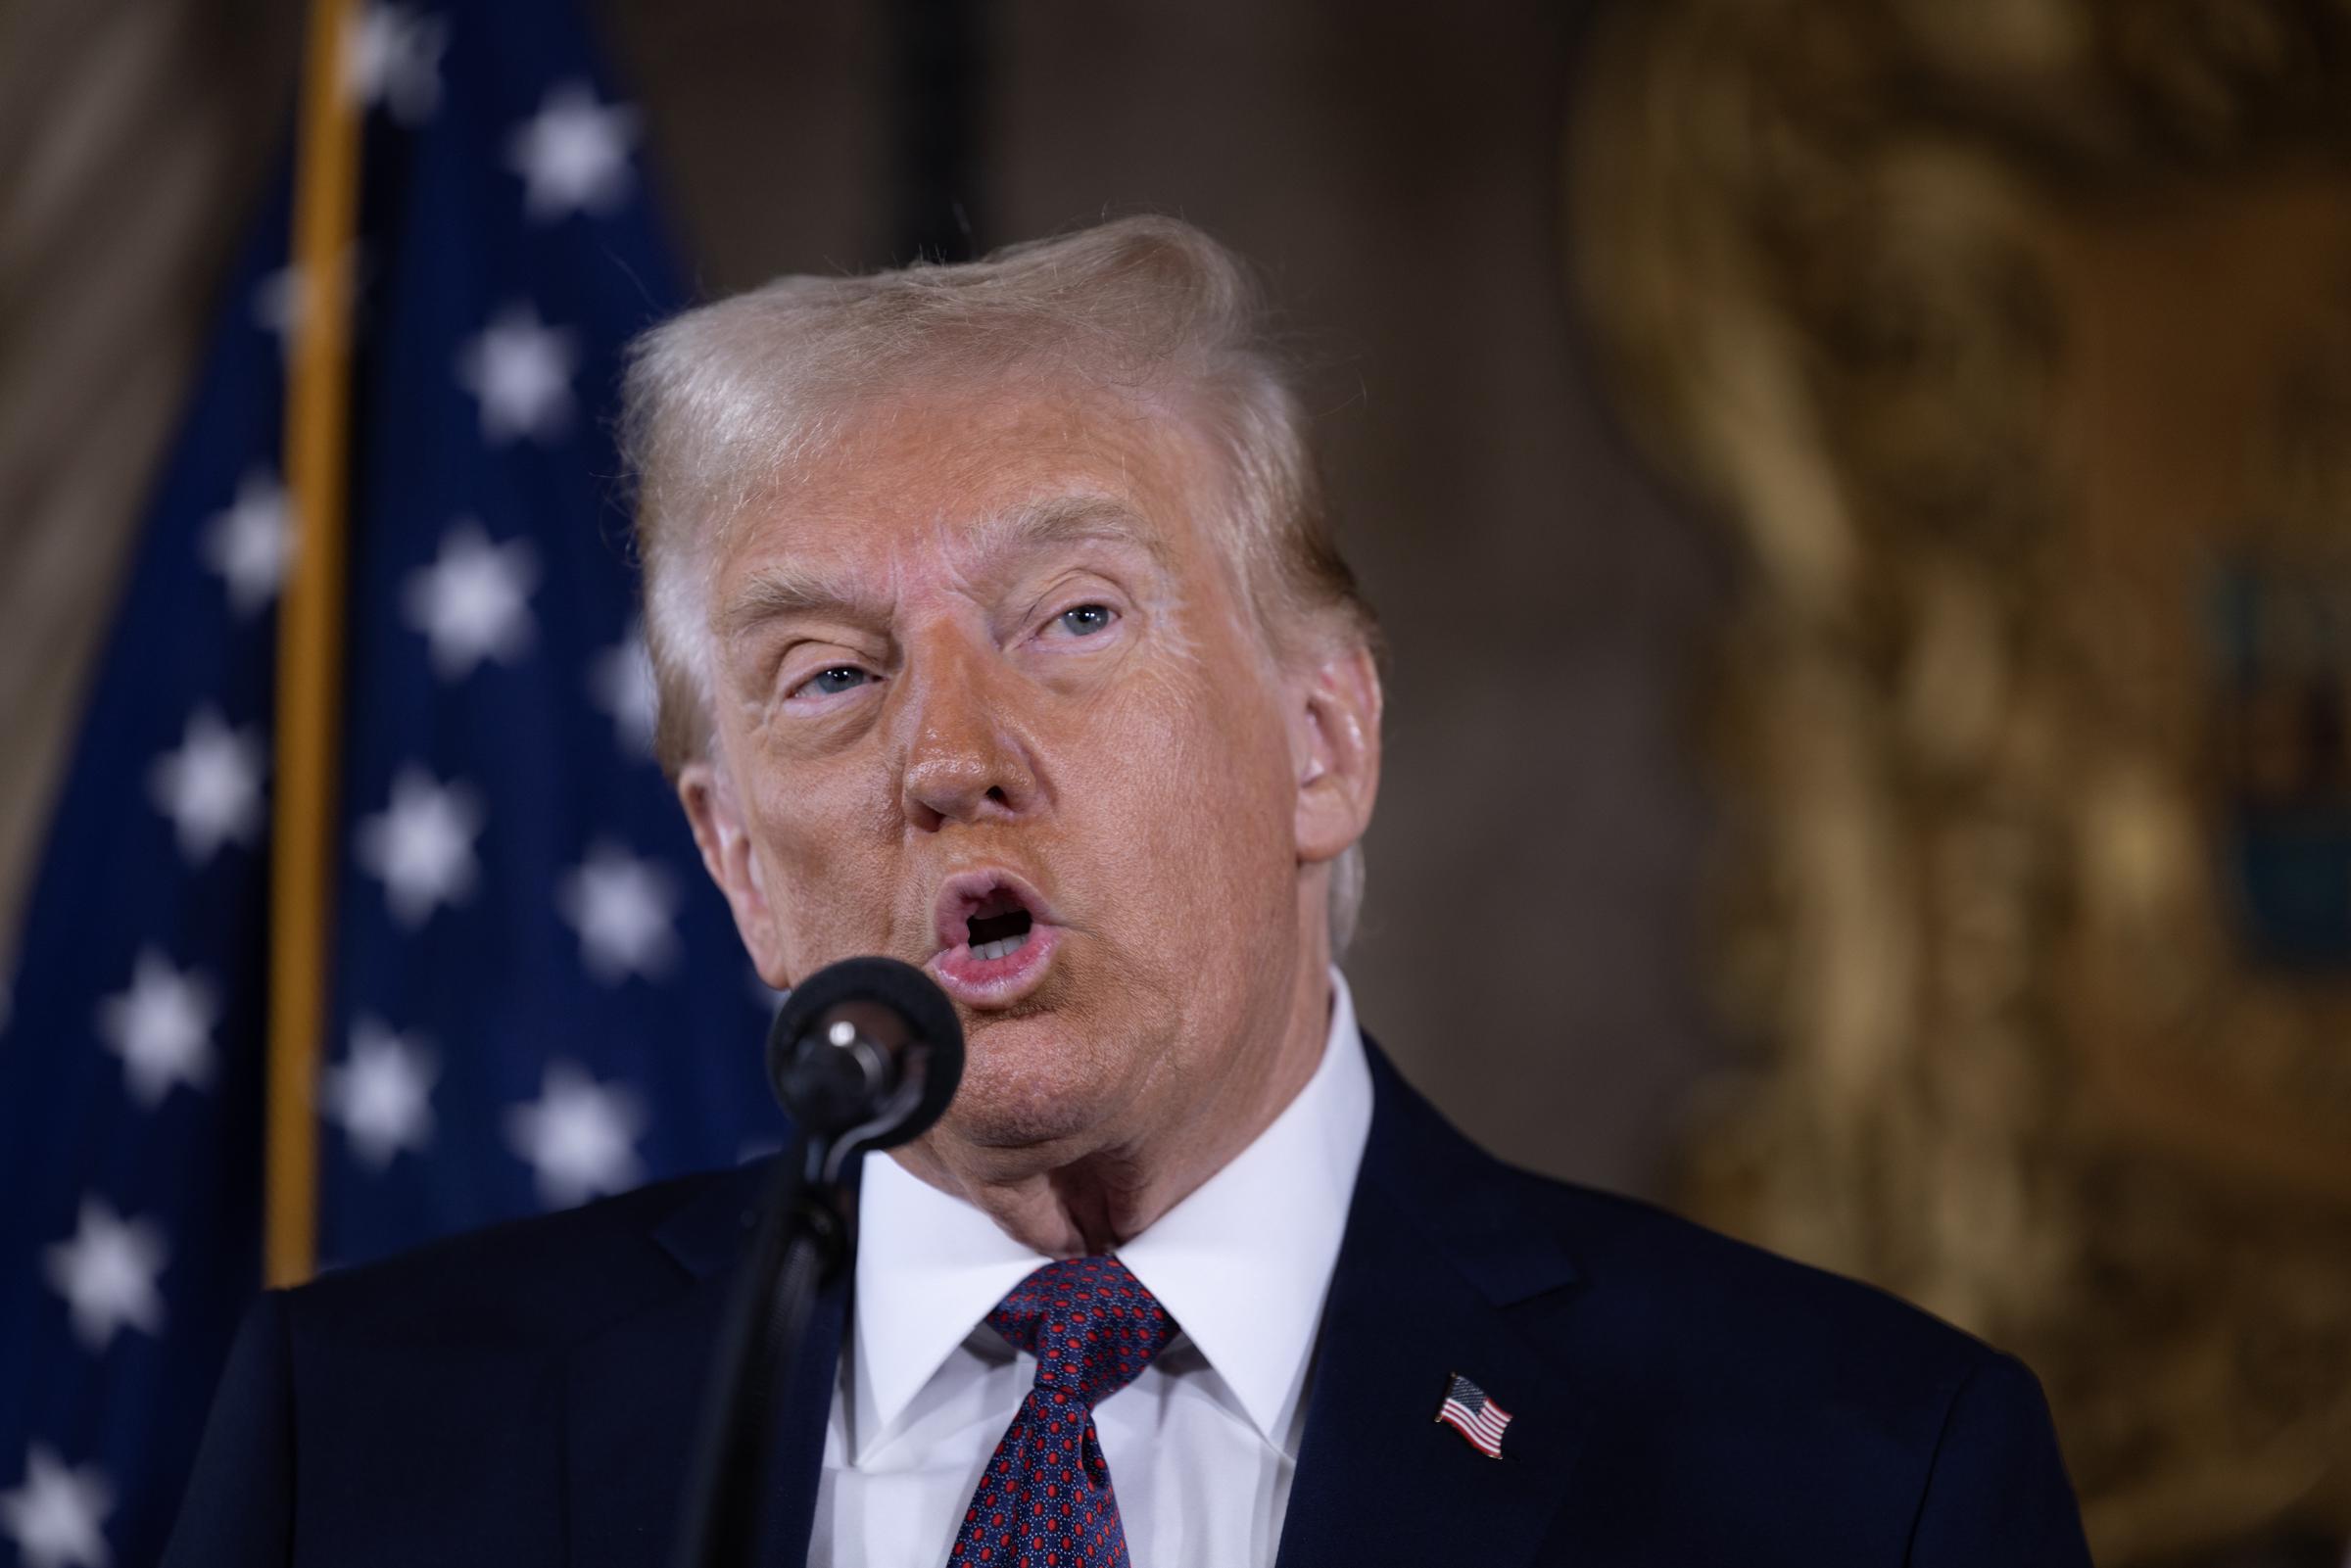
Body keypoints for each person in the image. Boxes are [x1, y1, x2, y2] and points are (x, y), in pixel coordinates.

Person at [164, 216, 2091, 1567]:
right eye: (831, 673)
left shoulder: (1860, 1479)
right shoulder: (373, 1446)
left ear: (1324, 744)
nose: (949, 753)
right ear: (739, 866)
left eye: (1074, 619)